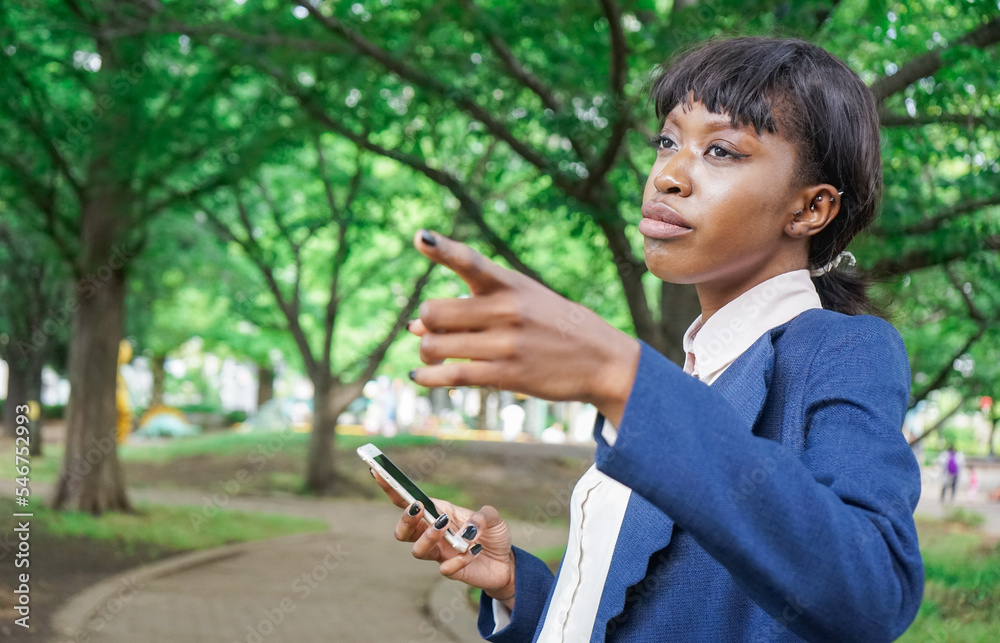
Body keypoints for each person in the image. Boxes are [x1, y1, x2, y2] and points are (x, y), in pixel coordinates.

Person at [372, 36, 923, 642]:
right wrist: (513, 584)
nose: (668, 175)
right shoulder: (692, 372)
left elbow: (875, 591)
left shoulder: (840, 351)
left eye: (720, 150)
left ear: (810, 209)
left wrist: (623, 376)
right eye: (667, 141)